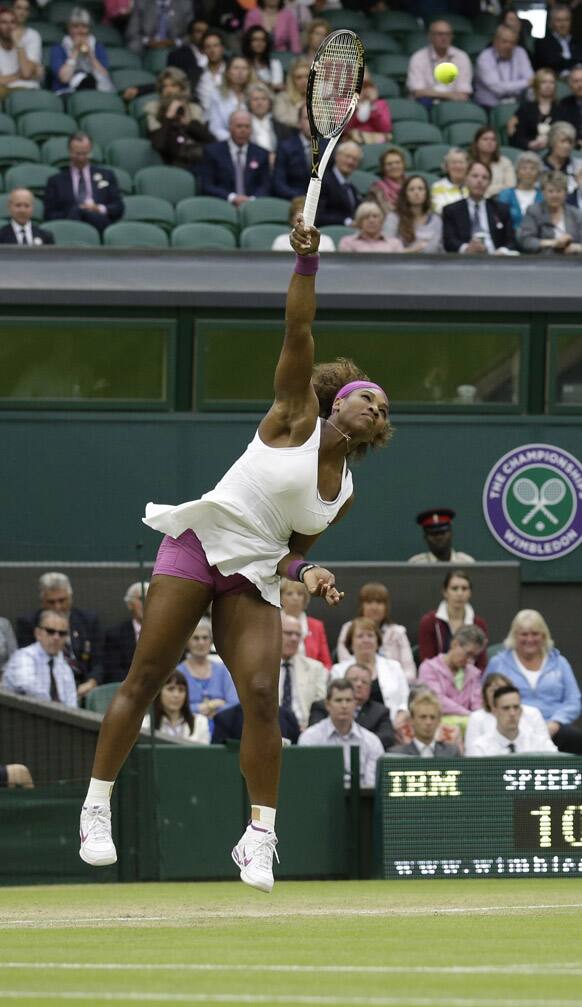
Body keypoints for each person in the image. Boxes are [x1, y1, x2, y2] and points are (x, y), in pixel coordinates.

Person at [78, 212, 392, 894]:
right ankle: (96, 805)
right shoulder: (294, 414)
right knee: (147, 670)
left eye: (384, 406)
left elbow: (281, 552)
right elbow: (298, 331)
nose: (377, 406)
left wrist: (307, 568)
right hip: (200, 542)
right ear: (340, 399)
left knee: (259, 691)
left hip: (252, 573)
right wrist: (306, 264)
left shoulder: (345, 494)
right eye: (369, 395)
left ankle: (258, 835)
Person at [487, 609, 582, 754]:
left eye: (535, 634)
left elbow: (574, 700)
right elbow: (483, 697)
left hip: (554, 728)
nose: (530, 639)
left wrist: (555, 722)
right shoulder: (498, 662)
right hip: (512, 726)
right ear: (514, 636)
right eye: (524, 634)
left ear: (544, 636)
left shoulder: (559, 662)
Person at [16, 570, 103, 698]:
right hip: (48, 690)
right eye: (51, 602)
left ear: (70, 597)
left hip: (85, 687)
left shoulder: (88, 620)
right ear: (42, 601)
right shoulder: (29, 623)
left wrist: (92, 682)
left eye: (62, 600)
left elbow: (100, 660)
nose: (57, 606)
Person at [298, 678, 384, 787]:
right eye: (338, 700)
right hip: (321, 800)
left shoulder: (371, 741)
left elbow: (373, 785)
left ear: (355, 704)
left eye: (348, 700)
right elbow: (306, 780)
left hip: (361, 801)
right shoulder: (310, 738)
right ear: (328, 704)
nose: (344, 706)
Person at [331, 617, 409, 729]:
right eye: (360, 636)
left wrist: (394, 724)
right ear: (351, 642)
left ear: (378, 641)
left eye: (370, 636)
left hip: (391, 728)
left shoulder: (394, 667)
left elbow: (404, 703)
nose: (366, 640)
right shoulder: (338, 671)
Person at [43, 132, 124, 236]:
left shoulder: (107, 176)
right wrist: (75, 211)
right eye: (77, 154)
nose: (81, 158)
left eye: (85, 153)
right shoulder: (56, 181)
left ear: (90, 151)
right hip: (69, 229)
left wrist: (98, 208)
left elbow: (118, 208)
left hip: (100, 227)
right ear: (69, 151)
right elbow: (49, 215)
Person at [336, 582, 416, 682]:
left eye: (379, 602)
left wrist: (389, 683)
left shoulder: (398, 632)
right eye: (369, 602)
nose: (374, 607)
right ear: (361, 606)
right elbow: (344, 665)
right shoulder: (349, 628)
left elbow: (410, 672)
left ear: (386, 606)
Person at [309, 662, 396, 751]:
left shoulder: (380, 712)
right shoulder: (321, 706)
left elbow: (387, 738)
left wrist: (355, 738)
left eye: (364, 682)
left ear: (370, 688)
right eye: (354, 680)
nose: (359, 684)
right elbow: (316, 733)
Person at [465, 671, 555, 755]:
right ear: (495, 711)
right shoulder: (480, 747)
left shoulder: (540, 743)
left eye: (516, 707)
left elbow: (558, 762)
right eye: (506, 708)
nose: (512, 713)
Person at [3, 610, 78, 708]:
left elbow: (72, 704)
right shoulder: (23, 657)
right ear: (38, 633)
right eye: (50, 631)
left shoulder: (64, 667)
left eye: (62, 633)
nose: (56, 637)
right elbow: (28, 689)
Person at [418, 569, 488, 672]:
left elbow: (481, 664)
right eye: (454, 588)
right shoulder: (429, 622)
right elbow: (427, 661)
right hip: (438, 677)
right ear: (445, 592)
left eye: (464, 589)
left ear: (470, 593)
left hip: (470, 679)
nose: (460, 593)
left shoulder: (479, 624)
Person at [442, 160, 517, 255]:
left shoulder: (501, 209)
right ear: (466, 179)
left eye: (484, 177)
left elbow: (512, 241)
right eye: (475, 176)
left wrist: (502, 251)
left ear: (489, 183)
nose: (479, 181)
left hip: (496, 260)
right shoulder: (452, 210)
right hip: (464, 261)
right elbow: (449, 241)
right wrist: (466, 248)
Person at [199, 109, 270, 205]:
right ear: (230, 127)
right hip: (222, 204)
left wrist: (251, 200)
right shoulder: (212, 152)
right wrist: (232, 198)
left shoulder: (261, 154)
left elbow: (266, 185)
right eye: (239, 126)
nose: (243, 130)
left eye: (247, 126)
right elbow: (207, 185)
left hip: (254, 206)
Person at [418, 625, 485, 720]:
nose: (470, 660)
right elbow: (436, 700)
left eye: (474, 656)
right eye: (468, 654)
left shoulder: (474, 673)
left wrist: (478, 717)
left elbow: (477, 703)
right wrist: (469, 715)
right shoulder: (428, 668)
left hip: (470, 725)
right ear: (455, 644)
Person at [177, 618, 238, 720]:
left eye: (205, 638)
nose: (201, 642)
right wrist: (207, 706)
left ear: (211, 641)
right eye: (196, 638)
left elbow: (234, 702)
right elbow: (174, 707)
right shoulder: (179, 672)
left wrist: (217, 712)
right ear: (187, 642)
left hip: (222, 727)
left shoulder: (221, 669)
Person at [406, 18, 472, 107]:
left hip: (455, 104)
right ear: (430, 36)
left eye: (448, 34)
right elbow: (418, 92)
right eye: (440, 34)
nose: (444, 38)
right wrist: (450, 95)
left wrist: (433, 93)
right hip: (425, 103)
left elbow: (464, 93)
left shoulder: (461, 57)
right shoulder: (418, 57)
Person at [278, 612, 327, 728]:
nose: (294, 638)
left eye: (298, 634)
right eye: (288, 633)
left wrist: (310, 729)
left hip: (306, 728)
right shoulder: (264, 667)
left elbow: (320, 705)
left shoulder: (315, 668)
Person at [50, 7, 113, 95]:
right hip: (67, 92)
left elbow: (104, 78)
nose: (80, 31)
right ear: (69, 28)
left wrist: (91, 56)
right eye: (75, 26)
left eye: (84, 26)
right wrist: (75, 52)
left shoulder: (97, 46)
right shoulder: (59, 47)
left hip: (97, 90)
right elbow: (64, 78)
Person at [518, 169, 582, 253]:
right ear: (543, 192)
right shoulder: (534, 211)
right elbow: (525, 241)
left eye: (559, 191)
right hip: (541, 262)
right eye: (550, 191)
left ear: (566, 193)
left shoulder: (575, 213)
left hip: (571, 262)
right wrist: (553, 243)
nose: (555, 195)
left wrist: (577, 248)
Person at [149, 92, 214, 173]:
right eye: (177, 110)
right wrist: (169, 118)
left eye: (182, 108)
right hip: (178, 171)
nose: (179, 113)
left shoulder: (194, 126)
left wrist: (188, 123)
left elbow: (214, 143)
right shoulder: (162, 131)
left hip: (203, 169)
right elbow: (158, 145)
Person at [473, 25, 533, 111]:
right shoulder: (485, 57)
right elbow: (498, 88)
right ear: (495, 41)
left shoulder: (520, 52)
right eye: (505, 42)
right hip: (489, 107)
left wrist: (528, 82)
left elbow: (530, 78)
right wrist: (526, 83)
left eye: (512, 42)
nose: (508, 46)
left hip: (516, 105)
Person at [142, 669, 210, 743]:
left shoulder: (200, 722)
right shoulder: (145, 724)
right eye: (170, 689)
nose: (176, 695)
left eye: (181, 690)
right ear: (159, 693)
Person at [388, 689, 461, 757]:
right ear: (411, 720)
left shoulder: (452, 753)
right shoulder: (397, 755)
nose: (428, 722)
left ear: (439, 720)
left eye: (432, 717)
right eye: (423, 717)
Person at [103, 582, 149, 684]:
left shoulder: (166, 633)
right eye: (141, 599)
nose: (146, 603)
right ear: (129, 604)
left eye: (150, 598)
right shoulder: (115, 635)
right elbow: (113, 671)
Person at [279, 576, 332, 667]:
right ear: (280, 598)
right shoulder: (272, 623)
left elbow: (326, 663)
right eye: (289, 593)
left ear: (305, 598)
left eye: (299, 594)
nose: (295, 598)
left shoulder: (316, 626)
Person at [383, 175, 443, 254]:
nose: (416, 192)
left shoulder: (436, 220)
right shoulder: (393, 218)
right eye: (411, 189)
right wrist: (412, 250)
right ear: (405, 194)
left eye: (421, 189)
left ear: (426, 193)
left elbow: (439, 248)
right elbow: (387, 250)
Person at [509, 68, 558, 151]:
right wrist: (530, 144)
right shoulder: (525, 109)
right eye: (544, 82)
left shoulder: (562, 108)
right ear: (536, 85)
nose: (548, 85)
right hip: (531, 153)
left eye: (551, 82)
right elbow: (516, 138)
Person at [141, 66, 200, 134]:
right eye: (165, 86)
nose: (169, 91)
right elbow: (157, 137)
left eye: (173, 86)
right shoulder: (152, 108)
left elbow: (202, 137)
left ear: (182, 88)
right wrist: (169, 117)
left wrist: (188, 117)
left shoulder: (194, 109)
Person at [316, 141, 362, 227]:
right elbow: (318, 215)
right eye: (348, 157)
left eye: (355, 159)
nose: (351, 162)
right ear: (337, 156)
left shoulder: (352, 188)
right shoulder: (323, 182)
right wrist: (347, 222)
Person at [207, 56, 253, 142]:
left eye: (244, 68)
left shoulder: (255, 93)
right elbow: (215, 128)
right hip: (226, 143)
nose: (240, 72)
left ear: (249, 73)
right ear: (228, 72)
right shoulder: (216, 95)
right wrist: (235, 140)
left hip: (254, 142)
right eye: (236, 68)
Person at [247, 82, 294, 165]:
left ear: (270, 103)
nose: (259, 103)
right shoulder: (244, 126)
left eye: (263, 99)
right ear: (249, 103)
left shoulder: (281, 128)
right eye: (255, 99)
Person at [272, 104, 312, 200]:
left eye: (317, 118)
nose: (313, 122)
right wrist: (302, 198)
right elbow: (279, 184)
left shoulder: (327, 148)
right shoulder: (285, 147)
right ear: (299, 123)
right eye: (307, 118)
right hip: (294, 201)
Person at [409, 507, 475, 564]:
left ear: (451, 533)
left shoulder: (466, 562)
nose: (439, 537)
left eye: (442, 533)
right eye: (433, 534)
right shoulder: (416, 564)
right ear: (425, 537)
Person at [0, 4, 41, 97]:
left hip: (28, 90)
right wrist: (18, 76)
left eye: (13, 22)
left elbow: (26, 73)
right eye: (4, 22)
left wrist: (18, 44)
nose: (9, 26)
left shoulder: (23, 43)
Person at [343, 70, 392, 146]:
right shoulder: (346, 102)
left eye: (367, 85)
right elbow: (344, 128)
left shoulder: (380, 104)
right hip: (353, 141)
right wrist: (356, 105)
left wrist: (372, 106)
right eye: (360, 85)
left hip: (376, 141)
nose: (364, 89)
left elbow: (385, 128)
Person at [496, 151, 544, 228]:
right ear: (517, 172)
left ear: (538, 173)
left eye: (533, 169)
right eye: (524, 168)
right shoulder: (505, 194)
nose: (528, 172)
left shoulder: (543, 195)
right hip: (510, 238)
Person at [126, 0, 192, 55]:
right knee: (133, 46)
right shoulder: (141, 2)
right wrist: (148, 41)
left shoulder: (185, 3)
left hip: (175, 46)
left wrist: (174, 42)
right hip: (146, 45)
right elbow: (132, 32)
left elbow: (191, 35)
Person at [468, 126, 516, 198]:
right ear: (477, 143)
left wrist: (486, 191)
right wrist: (499, 187)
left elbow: (511, 187)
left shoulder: (505, 162)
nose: (489, 142)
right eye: (485, 139)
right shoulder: (468, 162)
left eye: (493, 140)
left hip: (499, 201)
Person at [533, 5, 582, 76]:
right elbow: (551, 63)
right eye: (559, 20)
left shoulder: (578, 42)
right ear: (551, 23)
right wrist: (575, 63)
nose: (563, 24)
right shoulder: (542, 43)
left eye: (566, 20)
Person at [339, 201, 403, 253]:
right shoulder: (347, 242)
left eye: (375, 216)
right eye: (366, 217)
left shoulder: (395, 243)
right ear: (359, 222)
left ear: (381, 221)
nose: (371, 220)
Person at [167, 18, 209, 95]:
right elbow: (171, 82)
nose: (204, 35)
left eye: (206, 32)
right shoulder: (177, 56)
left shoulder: (221, 56)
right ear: (190, 35)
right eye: (199, 31)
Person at [241, 26, 284, 92]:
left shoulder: (274, 63)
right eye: (255, 40)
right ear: (248, 42)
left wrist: (258, 82)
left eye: (263, 40)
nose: (259, 43)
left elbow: (277, 87)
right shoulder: (241, 63)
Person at [367, 148, 407, 217]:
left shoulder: (413, 184)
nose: (394, 166)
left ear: (403, 164)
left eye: (397, 162)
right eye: (389, 164)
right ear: (383, 168)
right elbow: (385, 213)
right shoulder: (377, 189)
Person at [10, 0, 42, 87]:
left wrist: (18, 42)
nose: (22, 12)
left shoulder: (33, 35)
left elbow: (27, 72)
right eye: (19, 8)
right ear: (12, 9)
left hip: (28, 86)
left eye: (26, 9)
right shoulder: (2, 34)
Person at [541, 120, 579, 191]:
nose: (567, 146)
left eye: (570, 142)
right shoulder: (538, 166)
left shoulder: (579, 167)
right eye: (563, 141)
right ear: (552, 142)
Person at [196, 31, 227, 118]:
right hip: (204, 122)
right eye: (208, 47)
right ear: (203, 50)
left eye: (216, 46)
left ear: (222, 48)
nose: (212, 50)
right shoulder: (196, 74)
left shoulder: (231, 71)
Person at [273, 57, 309, 129]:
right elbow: (281, 120)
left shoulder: (319, 99)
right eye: (299, 77)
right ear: (292, 80)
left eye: (307, 76)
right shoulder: (282, 98)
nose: (304, 81)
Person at [431, 148, 469, 215]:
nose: (458, 166)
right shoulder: (437, 187)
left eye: (461, 162)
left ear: (467, 166)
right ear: (446, 167)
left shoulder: (473, 185)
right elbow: (440, 210)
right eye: (454, 163)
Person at [555, 65, 582, 146]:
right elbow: (560, 128)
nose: (580, 85)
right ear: (570, 85)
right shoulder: (564, 104)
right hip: (573, 147)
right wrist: (577, 142)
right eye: (576, 81)